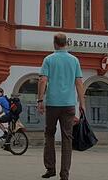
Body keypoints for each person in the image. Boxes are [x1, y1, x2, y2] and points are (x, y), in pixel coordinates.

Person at [37, 33, 86, 180]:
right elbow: (79, 83)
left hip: (52, 104)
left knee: (49, 135)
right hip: (69, 105)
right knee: (67, 138)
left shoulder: (49, 59)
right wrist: (82, 104)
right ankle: (64, 174)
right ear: (66, 43)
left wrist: (40, 101)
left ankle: (50, 168)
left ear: (55, 43)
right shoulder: (74, 60)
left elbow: (42, 80)